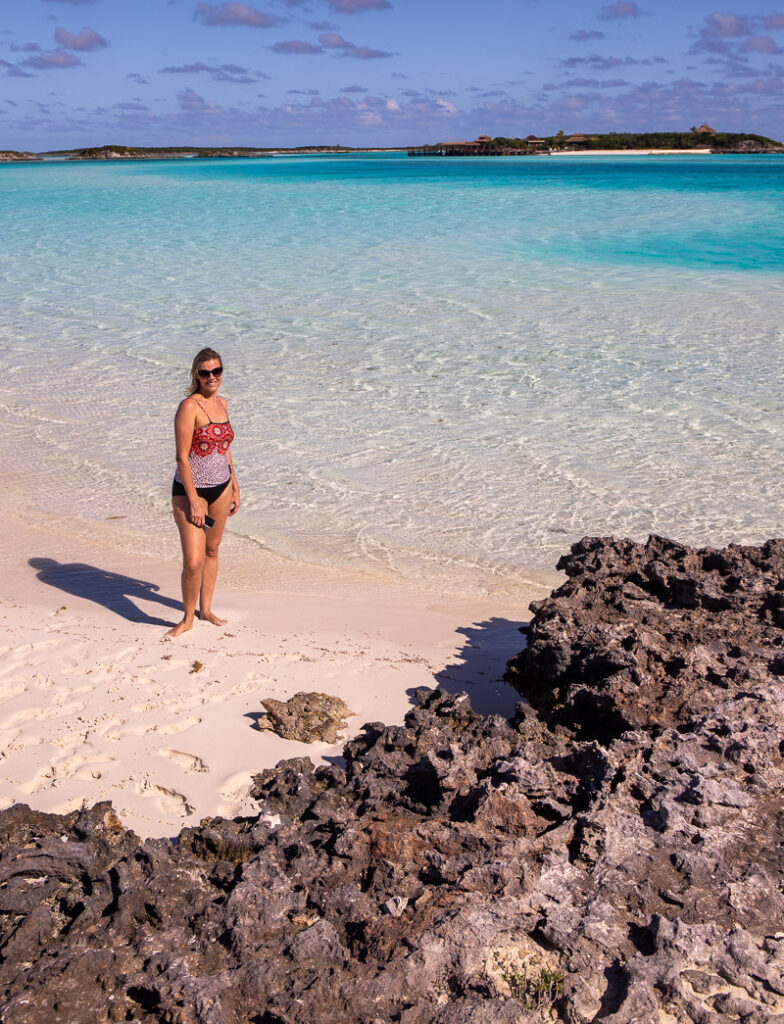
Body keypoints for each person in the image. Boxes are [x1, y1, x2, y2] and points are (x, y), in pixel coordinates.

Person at [165, 347, 240, 638]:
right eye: (206, 372)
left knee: (212, 549)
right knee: (193, 560)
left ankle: (205, 610)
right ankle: (187, 619)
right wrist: (194, 499)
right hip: (189, 491)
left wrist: (235, 485)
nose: (212, 377)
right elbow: (182, 458)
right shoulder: (189, 407)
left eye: (217, 371)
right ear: (196, 374)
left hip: (221, 488)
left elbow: (225, 448)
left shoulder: (222, 403)